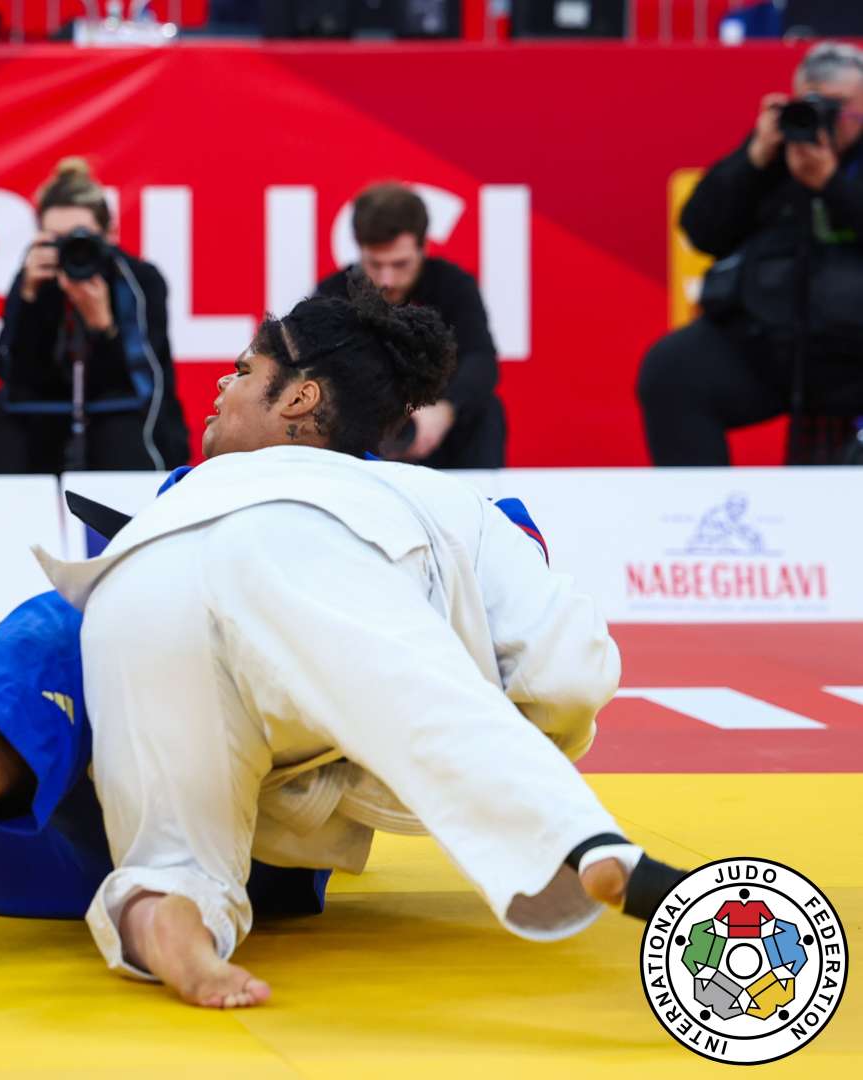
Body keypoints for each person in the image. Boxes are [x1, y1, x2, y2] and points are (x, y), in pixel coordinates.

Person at [35, 290, 688, 1008]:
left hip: (133, 572)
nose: (222, 383)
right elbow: (567, 675)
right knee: (433, 706)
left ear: (300, 396)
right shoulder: (431, 497)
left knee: (174, 848)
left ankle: (170, 915)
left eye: (244, 370)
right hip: (298, 545)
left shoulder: (182, 489)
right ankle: (585, 845)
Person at [638, 41, 863, 466]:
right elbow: (702, 230)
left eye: (839, 106)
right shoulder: (777, 149)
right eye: (812, 104)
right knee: (672, 370)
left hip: (853, 349)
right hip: (775, 337)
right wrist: (755, 157)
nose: (824, 117)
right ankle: (700, 507)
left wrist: (831, 185)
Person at [0, 158, 191, 474]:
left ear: (110, 234)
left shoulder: (139, 280)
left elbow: (149, 382)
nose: (70, 249)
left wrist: (104, 328)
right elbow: (10, 373)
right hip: (47, 411)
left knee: (125, 428)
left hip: (120, 408)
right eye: (56, 238)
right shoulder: (34, 276)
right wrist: (29, 303)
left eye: (81, 237)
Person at [316, 182, 504, 468]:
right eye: (375, 264)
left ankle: (478, 494)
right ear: (359, 249)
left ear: (423, 247)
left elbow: (480, 359)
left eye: (400, 264)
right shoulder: (334, 294)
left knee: (486, 410)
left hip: (438, 430)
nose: (386, 280)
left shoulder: (453, 285)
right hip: (364, 436)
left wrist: (444, 411)